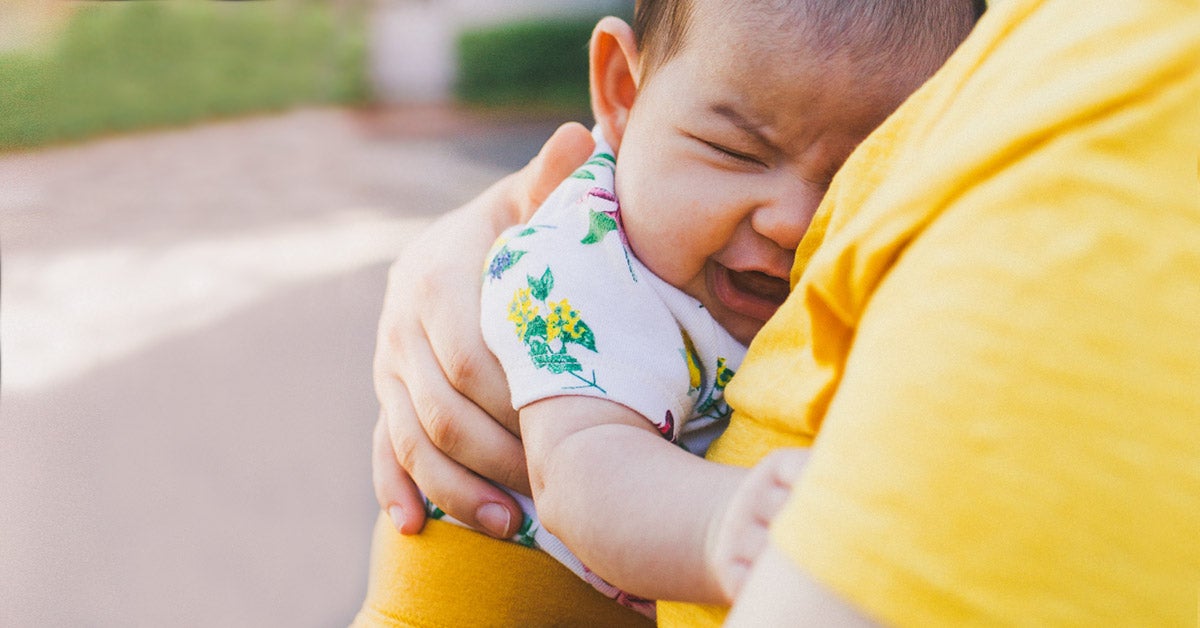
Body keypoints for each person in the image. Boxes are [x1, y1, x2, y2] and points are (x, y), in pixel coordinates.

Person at [371, 0, 1200, 625]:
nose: (794, 222)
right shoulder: (583, 261)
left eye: (856, 178)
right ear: (623, 95)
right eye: (737, 152)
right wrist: (721, 525)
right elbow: (580, 473)